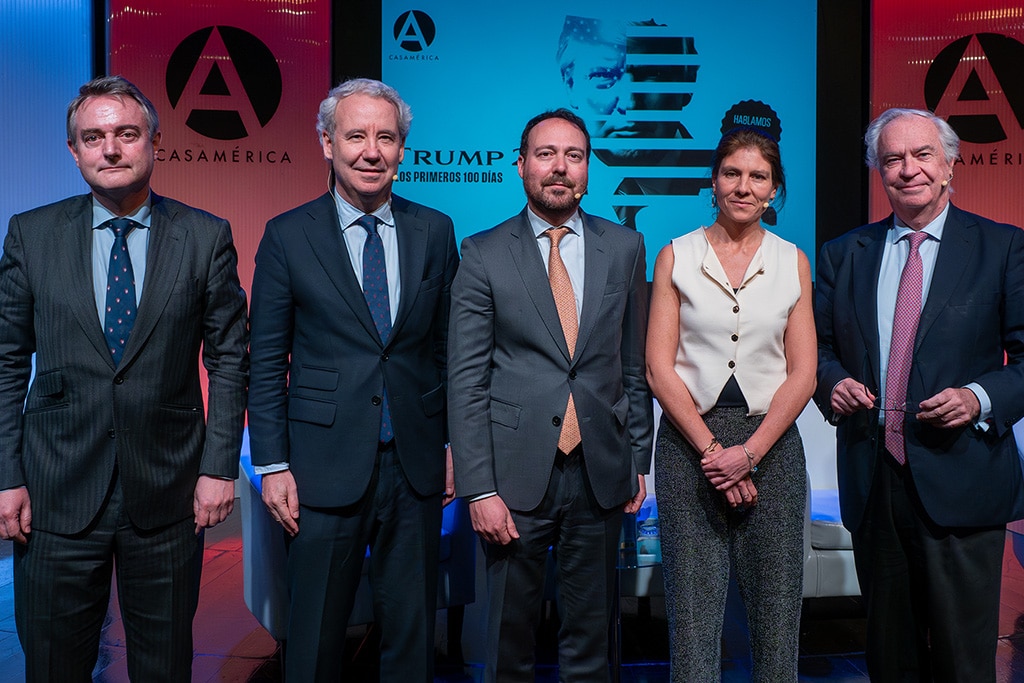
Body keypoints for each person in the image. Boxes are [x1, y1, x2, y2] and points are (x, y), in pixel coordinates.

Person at [0, 75, 249, 681]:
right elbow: (7, 360)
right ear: (74, 150)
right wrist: (7, 476)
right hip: (55, 492)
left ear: (154, 142)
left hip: (167, 493)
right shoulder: (31, 235)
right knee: (54, 665)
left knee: (163, 666)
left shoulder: (205, 235)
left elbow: (230, 356)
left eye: (125, 134)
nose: (110, 148)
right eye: (94, 137)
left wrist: (218, 468)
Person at [247, 78, 459, 682]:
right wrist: (272, 464)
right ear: (326, 143)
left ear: (402, 149)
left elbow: (446, 351)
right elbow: (266, 359)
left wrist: (450, 446)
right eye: (357, 135)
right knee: (313, 640)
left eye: (386, 138)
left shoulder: (435, 231)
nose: (372, 151)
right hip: (319, 466)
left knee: (413, 640)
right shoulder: (288, 235)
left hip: (414, 465)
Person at [814, 107, 1024, 682]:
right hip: (873, 480)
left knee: (963, 661)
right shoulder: (843, 254)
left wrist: (979, 397)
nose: (908, 169)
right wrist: (833, 385)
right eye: (892, 159)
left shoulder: (1002, 247)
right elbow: (818, 353)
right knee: (890, 659)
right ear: (878, 172)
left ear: (951, 163)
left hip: (965, 481)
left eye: (922, 155)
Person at [448, 108, 653, 682]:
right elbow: (467, 380)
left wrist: (638, 459)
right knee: (508, 644)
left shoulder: (627, 246)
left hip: (600, 473)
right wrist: (478, 488)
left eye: (574, 156)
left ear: (588, 169)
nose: (559, 168)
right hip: (512, 480)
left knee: (592, 643)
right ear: (521, 166)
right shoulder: (483, 252)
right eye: (546, 154)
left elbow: (632, 367)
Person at [645, 127, 815, 681]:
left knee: (776, 625)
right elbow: (658, 367)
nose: (743, 187)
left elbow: (804, 373)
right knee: (693, 630)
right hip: (688, 445)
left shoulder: (793, 261)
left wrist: (750, 453)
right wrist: (715, 450)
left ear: (774, 190)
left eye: (758, 177)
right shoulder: (676, 255)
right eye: (732, 173)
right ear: (713, 182)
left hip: (772, 447)